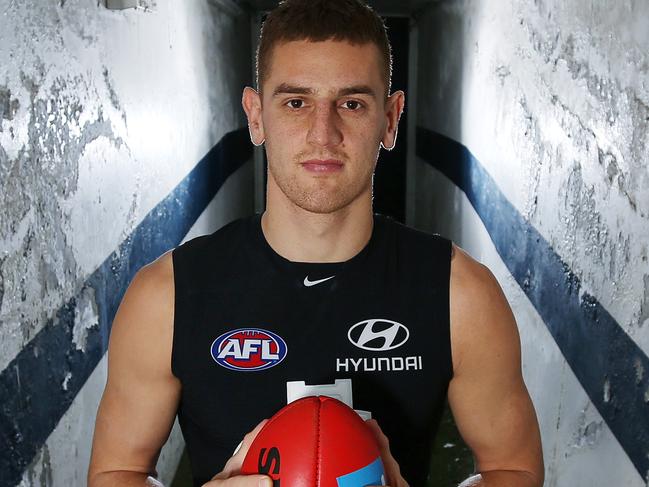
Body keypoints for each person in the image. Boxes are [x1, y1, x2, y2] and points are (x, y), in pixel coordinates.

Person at [88, 0, 544, 486]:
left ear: (390, 119)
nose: (323, 134)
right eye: (296, 102)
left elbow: (512, 468)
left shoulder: (460, 294)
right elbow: (117, 472)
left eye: (351, 103)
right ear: (256, 116)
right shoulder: (168, 297)